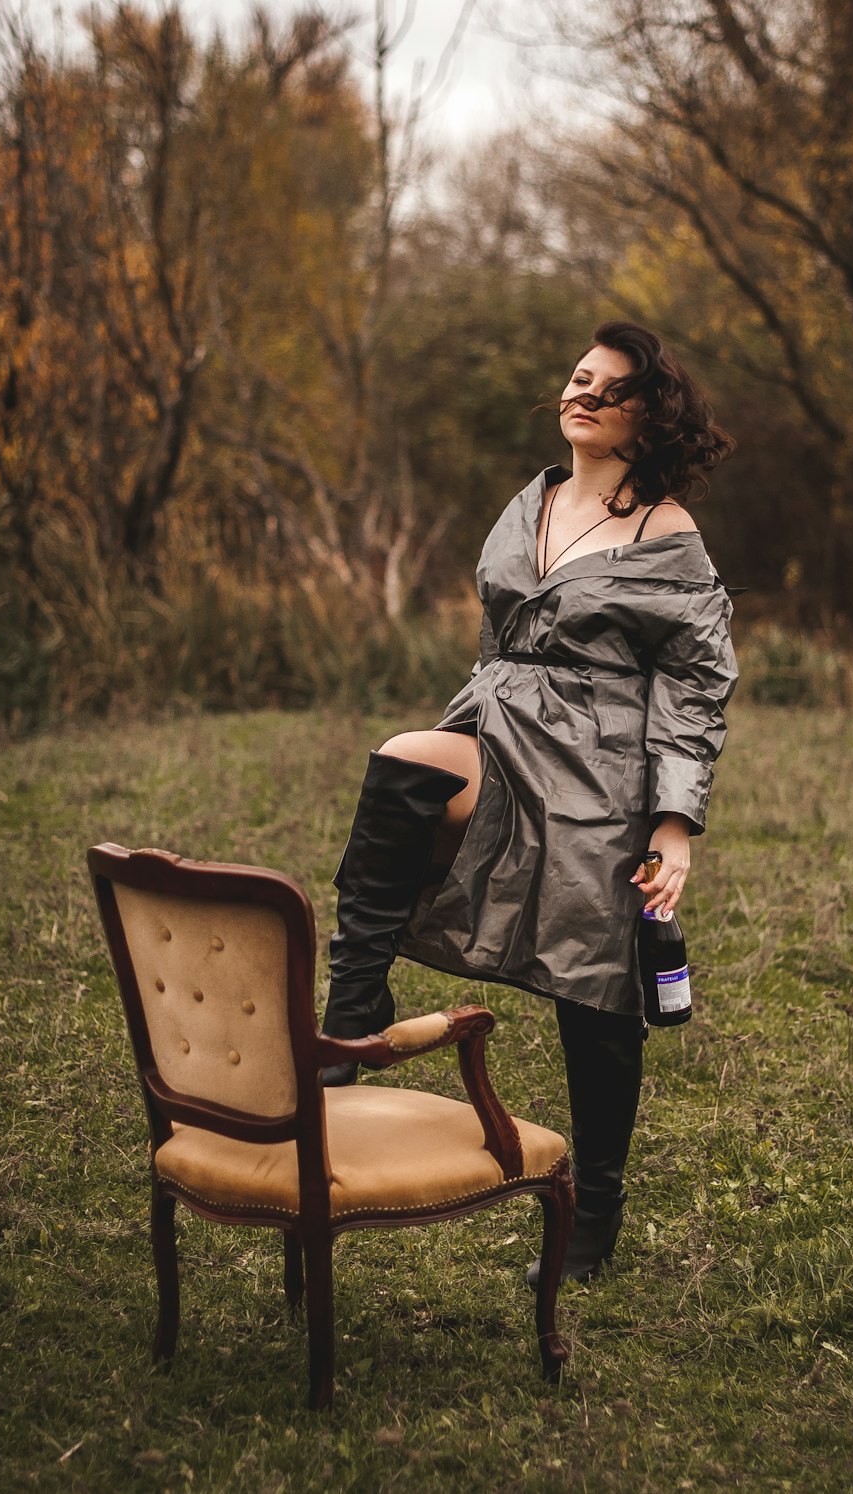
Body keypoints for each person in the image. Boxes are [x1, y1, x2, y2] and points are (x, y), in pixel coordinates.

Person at [319, 321, 738, 1286]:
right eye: (576, 378)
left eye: (607, 388)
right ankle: (354, 1006)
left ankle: (597, 1193)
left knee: (594, 989)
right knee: (403, 765)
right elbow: (501, 636)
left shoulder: (666, 536)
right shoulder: (530, 500)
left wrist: (672, 823)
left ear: (649, 413)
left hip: (599, 766)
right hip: (502, 728)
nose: (580, 395)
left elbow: (695, 684)